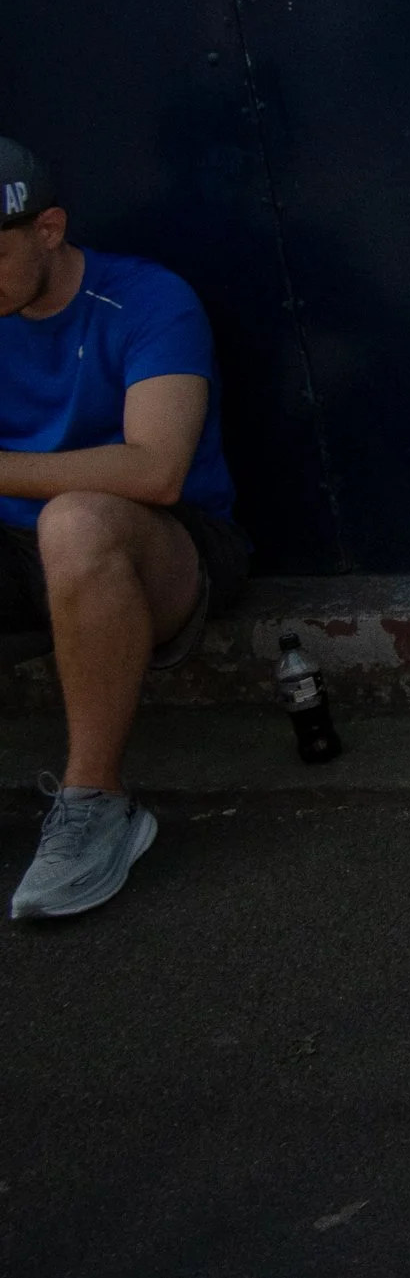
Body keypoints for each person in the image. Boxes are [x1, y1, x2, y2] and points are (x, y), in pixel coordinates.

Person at [2, 140, 250, 919]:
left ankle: (95, 805)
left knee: (75, 522)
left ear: (48, 228)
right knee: (56, 526)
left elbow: (156, 470)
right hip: (17, 550)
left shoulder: (146, 299)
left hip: (161, 547)